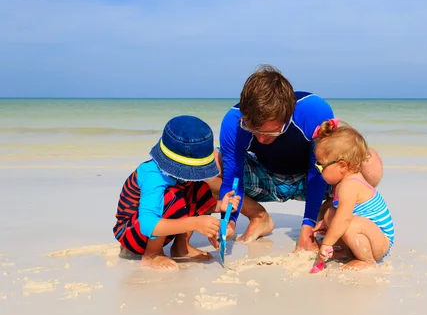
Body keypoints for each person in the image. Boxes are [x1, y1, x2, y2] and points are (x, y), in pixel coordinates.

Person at [217, 65, 383, 252]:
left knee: (369, 162)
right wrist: (228, 221)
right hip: (264, 179)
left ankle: (327, 213)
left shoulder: (313, 111)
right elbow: (233, 179)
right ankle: (259, 217)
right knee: (211, 164)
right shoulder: (234, 122)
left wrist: (307, 226)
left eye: (270, 132)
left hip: (313, 176)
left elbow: (318, 169)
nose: (261, 139)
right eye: (253, 131)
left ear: (288, 114)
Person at [112, 115, 240, 270]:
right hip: (132, 233)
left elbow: (195, 201)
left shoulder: (182, 178)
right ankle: (152, 254)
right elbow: (147, 224)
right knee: (172, 196)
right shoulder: (153, 177)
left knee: (198, 188)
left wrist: (219, 206)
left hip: (156, 227)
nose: (193, 175)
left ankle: (182, 247)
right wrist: (195, 223)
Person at [312, 119, 394, 270]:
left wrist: (326, 244)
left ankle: (367, 260)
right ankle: (348, 251)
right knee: (330, 212)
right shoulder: (344, 181)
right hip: (370, 234)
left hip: (380, 242)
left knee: (346, 223)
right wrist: (325, 223)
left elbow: (344, 219)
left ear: (342, 165)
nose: (318, 169)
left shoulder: (349, 185)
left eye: (320, 165)